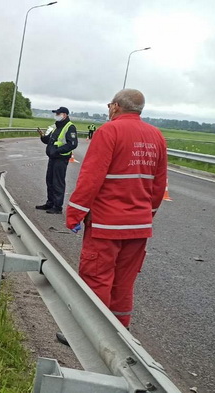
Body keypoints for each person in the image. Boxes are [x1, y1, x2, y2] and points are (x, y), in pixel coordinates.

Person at [65, 89, 168, 328]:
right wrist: (147, 215)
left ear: (116, 107)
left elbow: (90, 179)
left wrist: (74, 214)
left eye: (109, 105)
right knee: (124, 282)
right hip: (139, 226)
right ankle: (121, 330)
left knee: (97, 277)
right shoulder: (156, 136)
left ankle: (93, 331)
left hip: (106, 225)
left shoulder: (109, 131)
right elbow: (159, 184)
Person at [35, 106, 79, 214]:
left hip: (61, 158)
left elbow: (73, 144)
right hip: (53, 158)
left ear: (64, 115)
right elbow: (49, 140)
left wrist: (58, 150)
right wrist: (42, 136)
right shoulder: (56, 126)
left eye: (58, 114)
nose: (56, 116)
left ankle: (57, 206)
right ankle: (50, 203)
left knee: (57, 182)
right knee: (49, 181)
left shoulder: (70, 127)